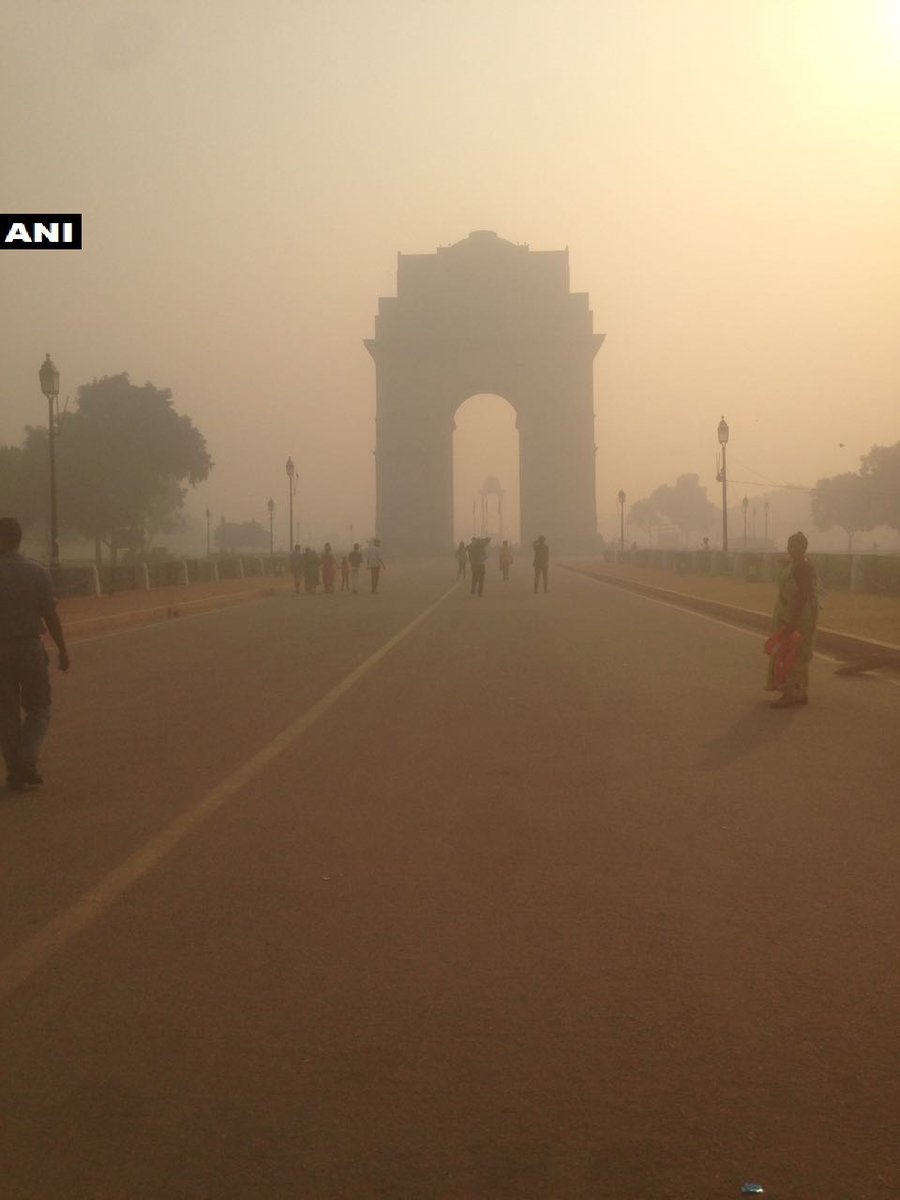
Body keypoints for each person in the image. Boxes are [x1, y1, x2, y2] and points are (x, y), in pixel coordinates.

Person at [0, 517, 70, 791]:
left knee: (5, 714)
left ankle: (16, 768)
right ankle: (26, 761)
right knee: (39, 708)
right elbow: (50, 614)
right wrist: (63, 649)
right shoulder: (37, 571)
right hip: (29, 647)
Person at [765, 531, 820, 708]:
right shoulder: (793, 565)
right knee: (798, 653)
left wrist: (791, 622)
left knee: (790, 654)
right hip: (791, 612)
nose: (792, 548)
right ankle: (800, 692)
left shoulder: (802, 567)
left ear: (804, 548)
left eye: (797, 545)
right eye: (790, 545)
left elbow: (802, 596)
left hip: (797, 615)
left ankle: (789, 693)